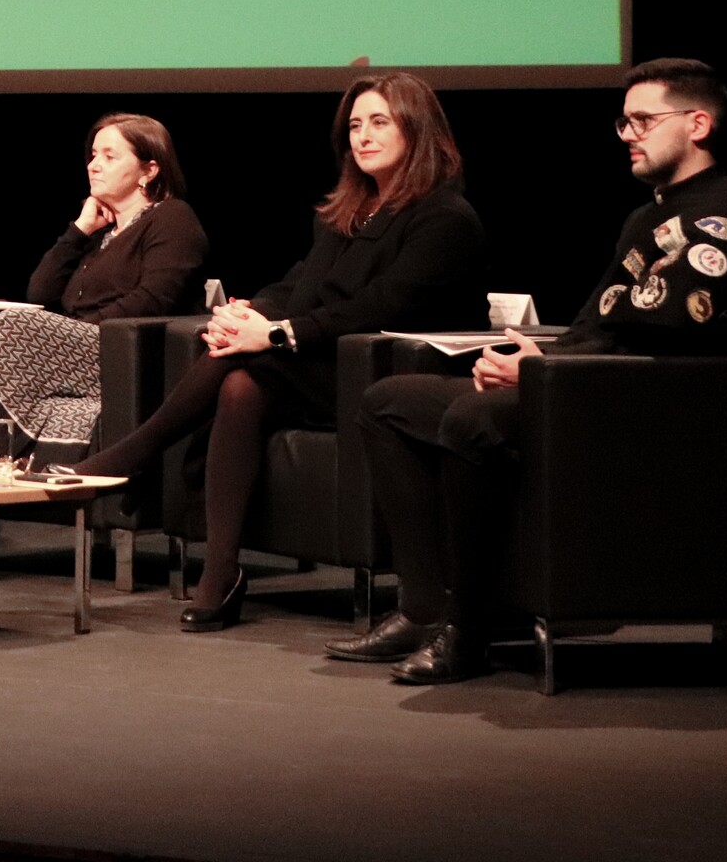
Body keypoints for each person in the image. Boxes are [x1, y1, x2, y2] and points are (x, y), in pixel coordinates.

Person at [340, 58, 727, 684]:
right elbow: (606, 324)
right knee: (389, 401)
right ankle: (421, 607)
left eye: (643, 120)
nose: (628, 133)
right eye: (623, 121)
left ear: (699, 123)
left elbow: (682, 334)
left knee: (473, 418)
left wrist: (543, 371)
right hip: (586, 384)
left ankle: (467, 632)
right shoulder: (648, 215)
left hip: (662, 407)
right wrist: (537, 359)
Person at [71, 72, 487, 630]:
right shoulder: (345, 214)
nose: (362, 136)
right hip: (319, 365)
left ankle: (133, 456)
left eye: (379, 123)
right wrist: (250, 313)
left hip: (387, 374)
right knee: (242, 382)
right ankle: (220, 571)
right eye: (355, 125)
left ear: (418, 129)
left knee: (249, 364)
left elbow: (378, 307)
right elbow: (297, 285)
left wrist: (270, 334)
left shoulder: (443, 217)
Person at [0, 113, 210, 582]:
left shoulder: (174, 219)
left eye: (110, 156)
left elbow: (154, 300)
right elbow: (40, 291)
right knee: (20, 322)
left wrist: (76, 329)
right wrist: (78, 231)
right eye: (93, 155)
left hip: (122, 358)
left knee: (15, 323)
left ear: (150, 169)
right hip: (69, 356)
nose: (94, 165)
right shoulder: (103, 232)